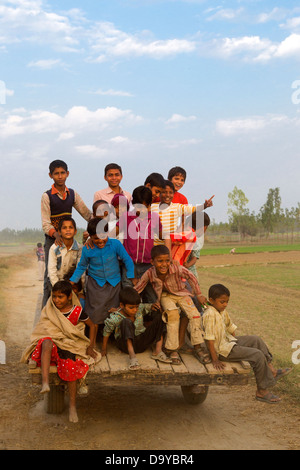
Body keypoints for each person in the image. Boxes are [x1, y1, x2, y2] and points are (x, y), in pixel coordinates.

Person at [21, 281, 100, 423]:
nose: (56, 300)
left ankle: (72, 407)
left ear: (70, 297)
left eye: (60, 297)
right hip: (53, 343)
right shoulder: (50, 309)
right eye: (54, 296)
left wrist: (90, 346)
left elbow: (93, 326)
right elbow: (44, 327)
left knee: (71, 369)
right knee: (46, 342)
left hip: (69, 345)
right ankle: (45, 382)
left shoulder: (77, 311)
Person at [202, 284, 292, 404]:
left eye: (227, 302)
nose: (225, 305)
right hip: (222, 350)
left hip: (228, 342)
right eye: (222, 302)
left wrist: (238, 345)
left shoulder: (222, 311)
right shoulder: (209, 314)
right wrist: (215, 359)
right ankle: (261, 391)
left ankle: (272, 371)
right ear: (211, 301)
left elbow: (230, 327)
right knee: (257, 355)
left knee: (255, 340)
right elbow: (209, 339)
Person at [134, 245, 210, 365]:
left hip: (181, 293)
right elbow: (139, 287)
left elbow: (191, 277)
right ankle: (172, 349)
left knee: (195, 315)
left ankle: (198, 347)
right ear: (152, 262)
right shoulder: (149, 273)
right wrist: (126, 301)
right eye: (160, 261)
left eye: (167, 261)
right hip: (165, 296)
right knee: (172, 315)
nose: (164, 264)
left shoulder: (176, 268)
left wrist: (199, 294)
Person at [41, 160, 92, 307]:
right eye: (56, 173)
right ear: (51, 175)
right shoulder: (47, 196)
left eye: (62, 173)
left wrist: (97, 226)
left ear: (67, 174)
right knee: (50, 277)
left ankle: (73, 309)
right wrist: (56, 235)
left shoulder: (72, 194)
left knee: (74, 272)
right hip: (54, 240)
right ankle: (46, 311)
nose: (60, 176)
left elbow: (87, 213)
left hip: (68, 238)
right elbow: (45, 223)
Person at [69, 218, 135, 331]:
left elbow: (127, 260)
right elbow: (81, 266)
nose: (100, 241)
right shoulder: (87, 249)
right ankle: (96, 332)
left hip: (114, 284)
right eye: (96, 238)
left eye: (103, 237)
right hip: (95, 285)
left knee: (114, 310)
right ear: (90, 236)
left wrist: (131, 276)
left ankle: (112, 335)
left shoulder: (115, 244)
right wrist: (72, 281)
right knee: (95, 310)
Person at [116, 186, 171, 302]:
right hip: (129, 265)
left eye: (145, 207)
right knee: (128, 296)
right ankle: (129, 320)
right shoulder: (126, 217)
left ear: (150, 204)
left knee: (151, 296)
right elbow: (112, 232)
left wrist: (169, 254)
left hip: (148, 266)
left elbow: (164, 235)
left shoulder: (154, 217)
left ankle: (150, 319)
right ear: (133, 203)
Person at [102, 287, 172, 370]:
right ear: (122, 305)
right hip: (125, 346)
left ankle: (158, 351)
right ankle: (132, 357)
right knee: (126, 322)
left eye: (137, 307)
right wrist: (103, 349)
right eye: (131, 308)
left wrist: (153, 306)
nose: (135, 310)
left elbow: (147, 307)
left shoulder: (139, 308)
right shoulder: (115, 318)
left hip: (141, 342)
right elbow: (106, 332)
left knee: (160, 316)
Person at [151, 180, 214, 248]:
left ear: (173, 194)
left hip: (171, 246)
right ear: (159, 193)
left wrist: (204, 206)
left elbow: (192, 209)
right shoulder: (152, 207)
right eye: (164, 192)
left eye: (170, 192)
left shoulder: (177, 207)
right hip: (154, 245)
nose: (167, 195)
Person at [47, 217, 82, 287]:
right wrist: (57, 287)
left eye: (71, 227)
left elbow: (80, 269)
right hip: (55, 282)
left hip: (72, 282)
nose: (68, 230)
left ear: (75, 231)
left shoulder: (79, 248)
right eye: (64, 228)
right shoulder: (54, 248)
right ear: (59, 232)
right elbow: (52, 271)